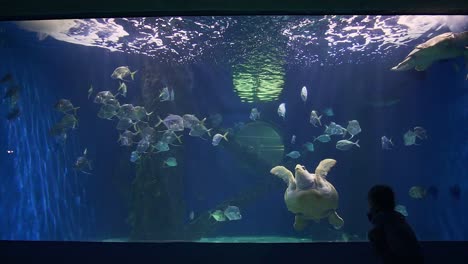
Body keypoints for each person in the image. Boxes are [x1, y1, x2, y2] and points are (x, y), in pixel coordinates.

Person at [367, 185, 424, 264]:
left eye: (370, 203)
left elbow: (386, 258)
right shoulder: (400, 221)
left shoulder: (382, 230)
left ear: (374, 205)